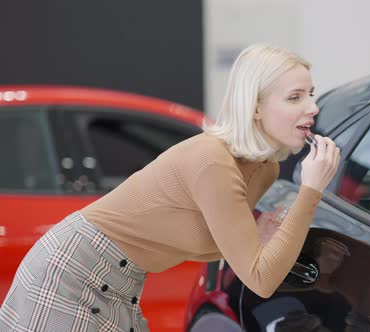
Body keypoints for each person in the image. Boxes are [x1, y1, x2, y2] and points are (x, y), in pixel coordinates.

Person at [0, 44, 340, 332]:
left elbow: (211, 244)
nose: (312, 107)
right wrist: (310, 191)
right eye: (295, 97)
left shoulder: (266, 168)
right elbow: (261, 279)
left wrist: (254, 232)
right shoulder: (213, 162)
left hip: (121, 283)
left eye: (310, 94)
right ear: (254, 107)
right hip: (72, 273)